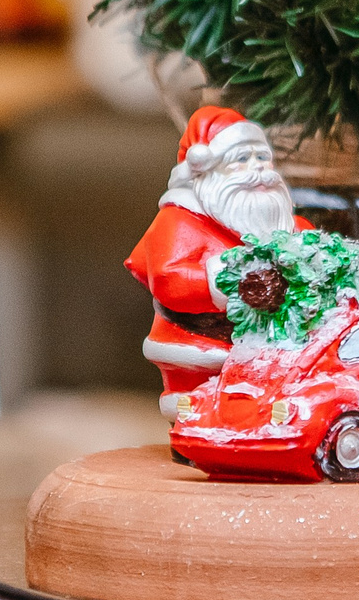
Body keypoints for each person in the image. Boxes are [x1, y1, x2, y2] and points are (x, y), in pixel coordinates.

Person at [122, 106, 308, 416]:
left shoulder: (285, 223)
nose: (257, 169)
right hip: (199, 345)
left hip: (274, 346)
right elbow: (169, 278)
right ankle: (193, 432)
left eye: (262, 158)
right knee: (199, 403)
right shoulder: (180, 222)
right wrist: (229, 281)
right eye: (241, 160)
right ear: (207, 170)